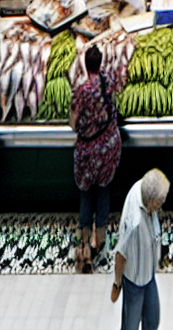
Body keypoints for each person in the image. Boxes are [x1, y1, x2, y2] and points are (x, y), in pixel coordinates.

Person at [70, 44, 122, 274]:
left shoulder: (81, 90)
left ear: (85, 65)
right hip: (108, 146)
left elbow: (73, 123)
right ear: (100, 63)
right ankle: (99, 240)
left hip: (88, 151)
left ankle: (83, 246)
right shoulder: (109, 80)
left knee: (85, 194)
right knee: (103, 191)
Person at [112, 169, 169, 330]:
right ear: (150, 201)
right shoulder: (134, 224)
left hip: (148, 276)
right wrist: (117, 284)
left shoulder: (140, 187)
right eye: (158, 203)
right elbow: (120, 255)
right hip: (134, 283)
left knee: (152, 320)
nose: (160, 206)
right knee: (130, 325)